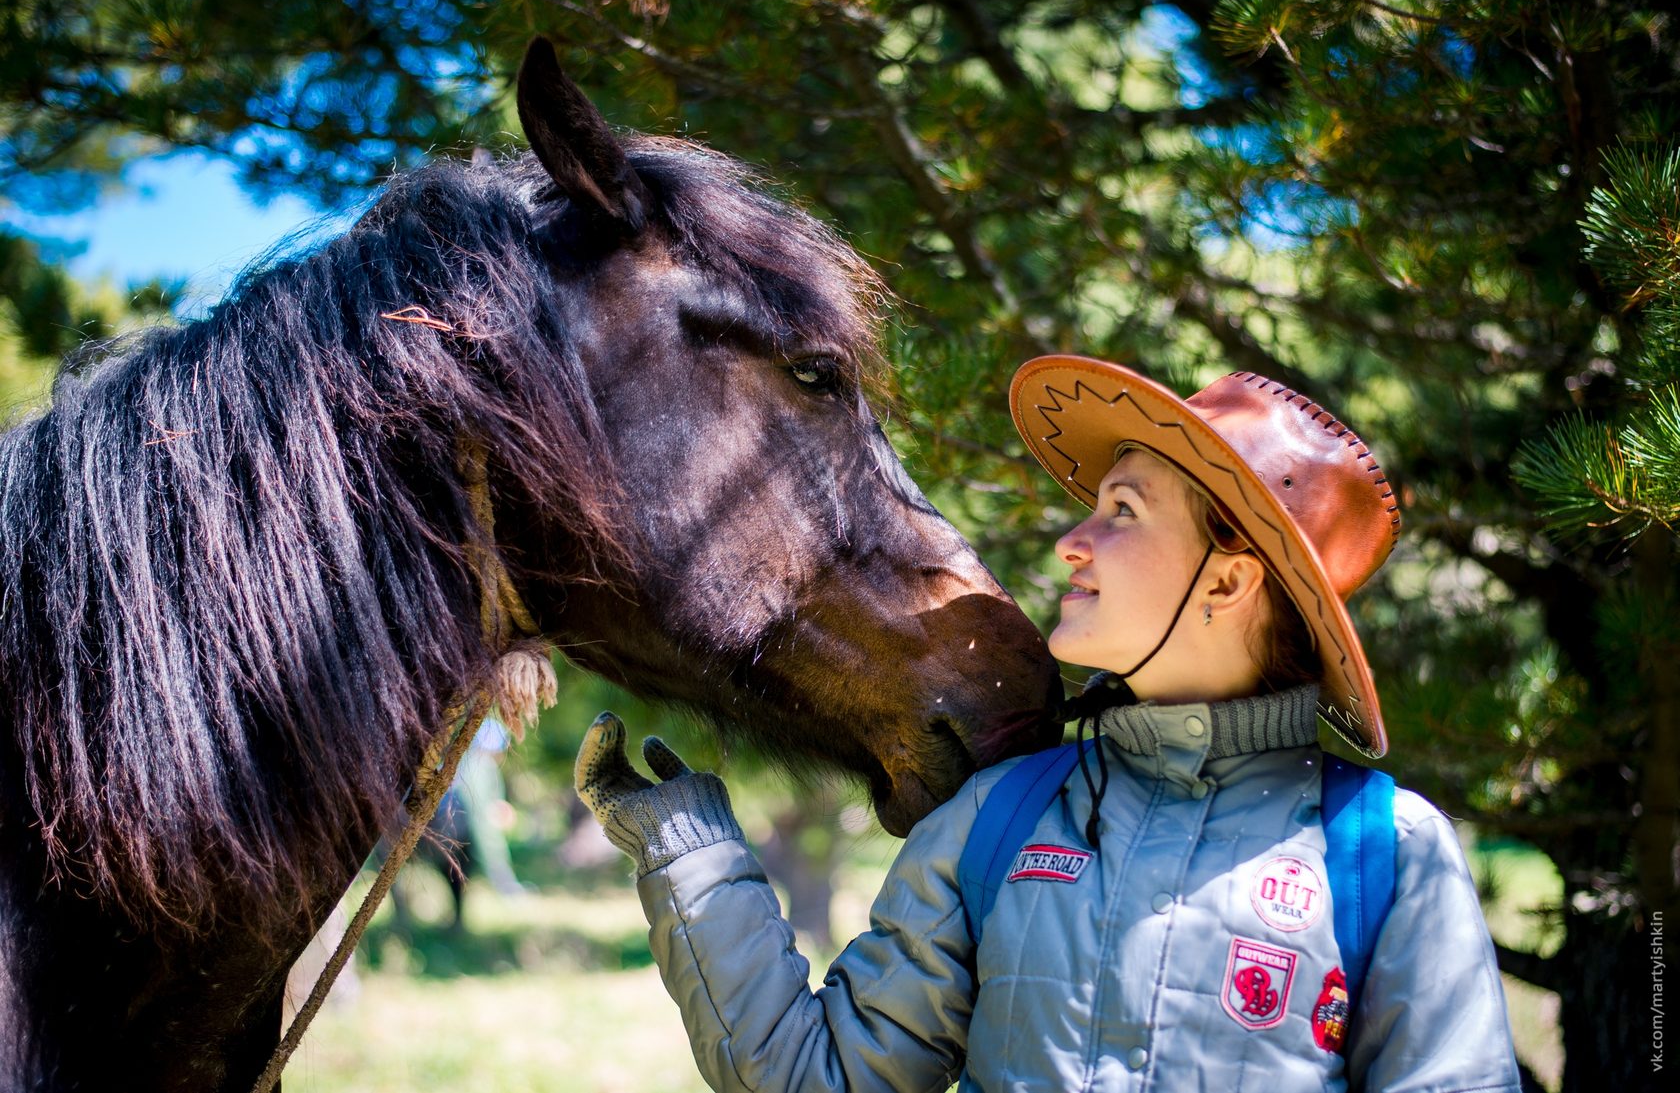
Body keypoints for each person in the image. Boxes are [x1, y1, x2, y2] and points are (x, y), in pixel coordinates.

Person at [573, 356, 1522, 1092]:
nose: (1073, 539)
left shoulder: (1389, 856)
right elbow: (815, 1077)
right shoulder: (996, 820)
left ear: (1229, 579)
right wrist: (687, 852)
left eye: (1122, 510)